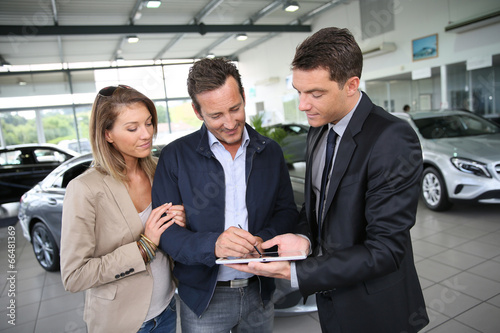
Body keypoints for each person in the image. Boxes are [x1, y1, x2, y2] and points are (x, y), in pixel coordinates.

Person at [230, 27, 430, 332]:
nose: (302, 105)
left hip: (377, 308)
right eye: (299, 91)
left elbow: (386, 250)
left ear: (351, 85)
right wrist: (304, 238)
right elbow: (316, 206)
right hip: (332, 303)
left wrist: (297, 273)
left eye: (316, 93)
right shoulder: (318, 129)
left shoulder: (392, 138)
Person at [151, 57, 298, 332]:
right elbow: (166, 234)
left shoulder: (270, 151)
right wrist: (214, 245)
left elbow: (287, 212)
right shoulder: (175, 157)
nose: (230, 123)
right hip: (204, 299)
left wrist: (261, 241)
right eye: (216, 115)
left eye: (235, 108)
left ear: (243, 96)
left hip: (260, 290)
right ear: (197, 111)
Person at [60, 85, 185, 333]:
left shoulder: (161, 170)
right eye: (132, 128)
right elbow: (74, 276)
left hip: (167, 309)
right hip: (122, 323)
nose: (146, 134)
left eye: (149, 123)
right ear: (108, 135)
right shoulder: (84, 189)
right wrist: (144, 247)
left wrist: (183, 219)